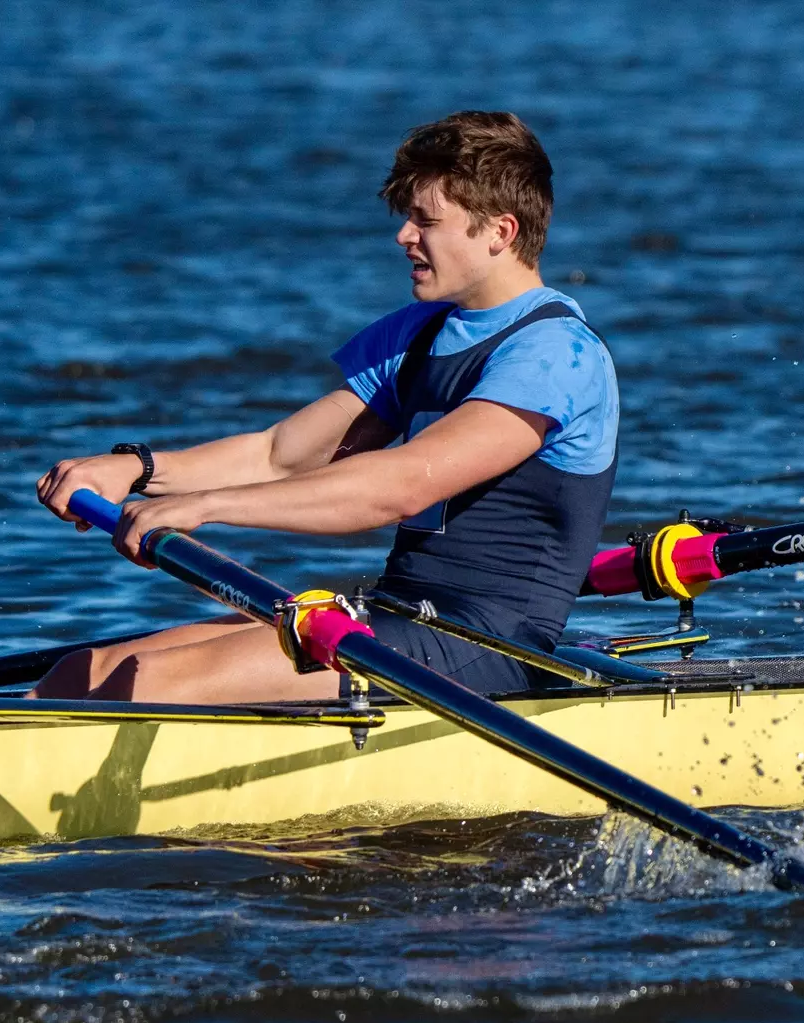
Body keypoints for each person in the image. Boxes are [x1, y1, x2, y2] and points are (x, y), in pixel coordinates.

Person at [32, 110, 619, 703]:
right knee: (83, 672)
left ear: (500, 231)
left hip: (490, 645)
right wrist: (140, 469)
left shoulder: (556, 354)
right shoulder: (418, 334)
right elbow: (282, 455)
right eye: (407, 218)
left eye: (426, 221)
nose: (404, 236)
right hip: (394, 619)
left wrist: (205, 507)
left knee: (155, 683)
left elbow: (401, 485)